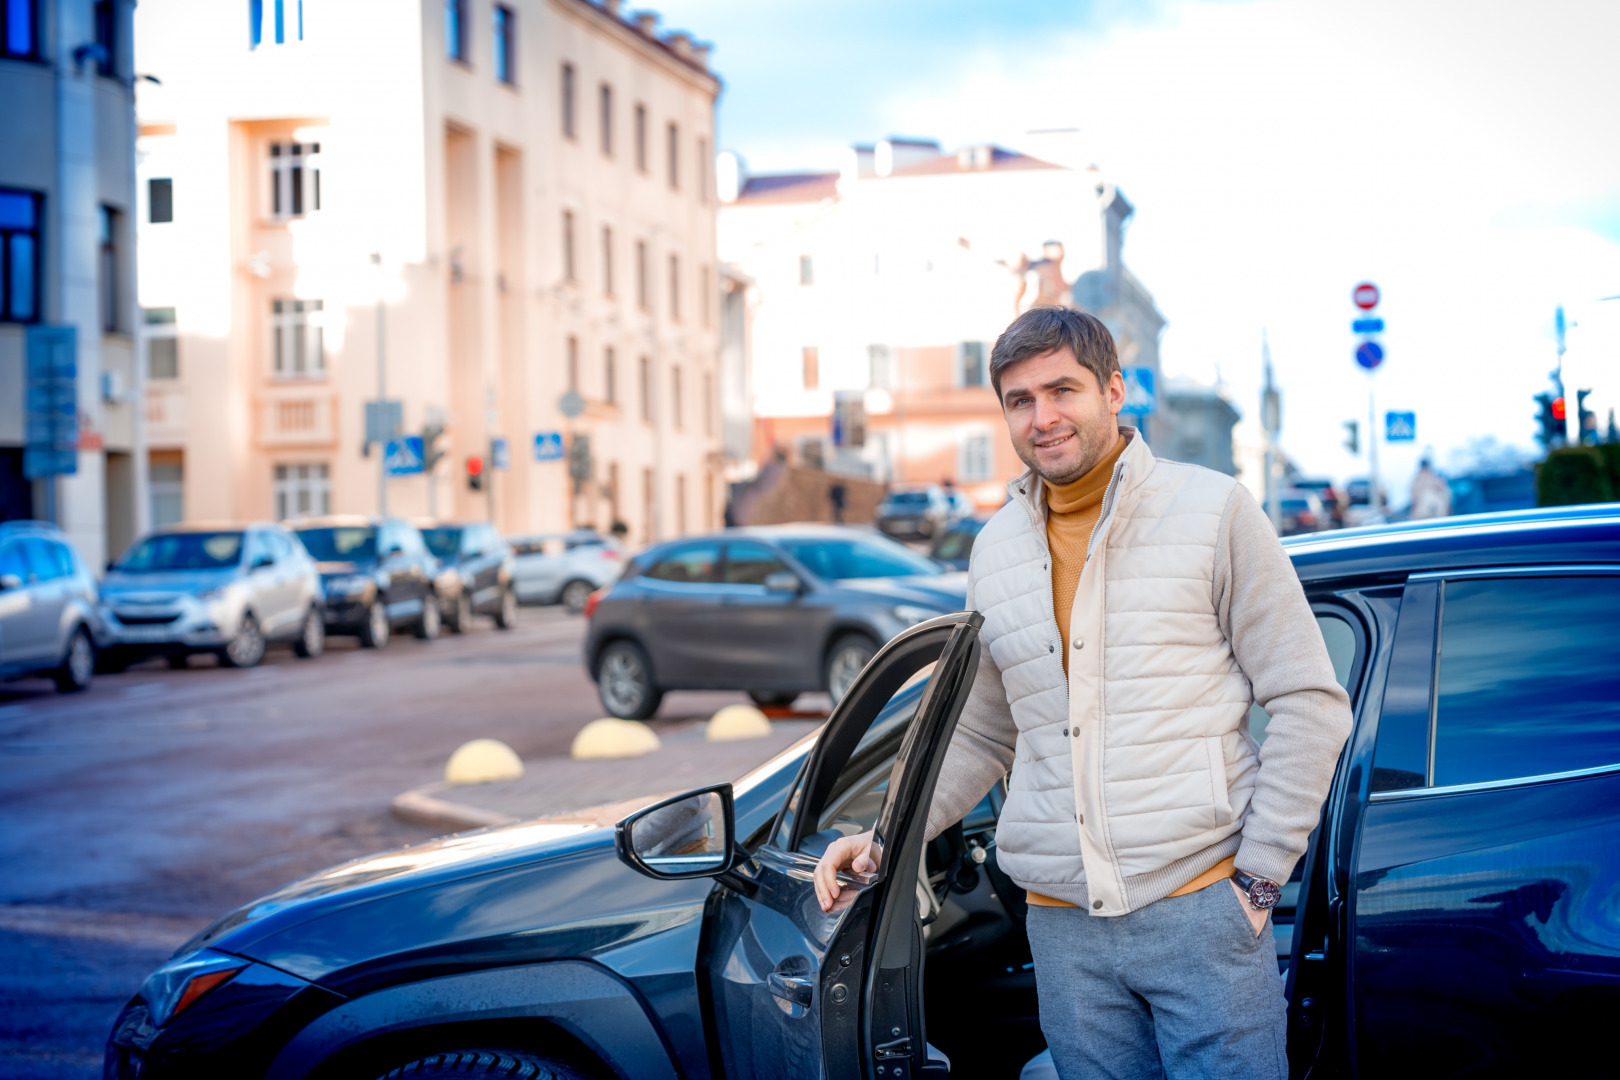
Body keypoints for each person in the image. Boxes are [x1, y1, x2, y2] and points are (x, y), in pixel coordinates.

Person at [814, 307, 1352, 1080]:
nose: (1044, 417)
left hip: (1202, 911)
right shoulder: (995, 546)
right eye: (1020, 400)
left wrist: (1260, 879)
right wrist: (886, 836)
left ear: (1113, 391)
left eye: (1062, 390)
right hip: (1063, 932)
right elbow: (981, 733)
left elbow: (1309, 699)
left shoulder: (1213, 511)